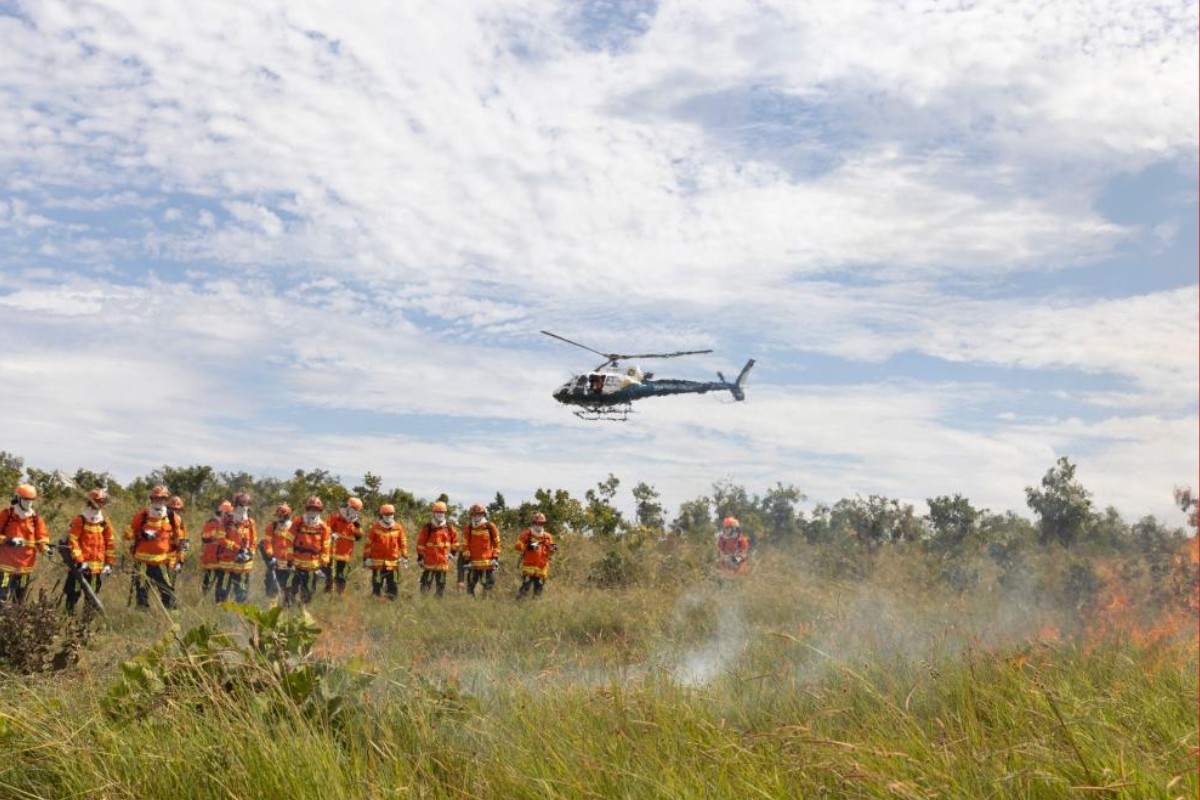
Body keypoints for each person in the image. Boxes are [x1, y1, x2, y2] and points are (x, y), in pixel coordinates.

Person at [125, 485, 184, 608]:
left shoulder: (174, 518)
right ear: (151, 499)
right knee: (141, 595)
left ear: (166, 500)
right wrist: (141, 534)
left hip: (163, 564)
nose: (158, 501)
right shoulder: (141, 515)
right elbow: (128, 535)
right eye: (156, 498)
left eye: (162, 498)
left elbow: (183, 541)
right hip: (142, 564)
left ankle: (173, 620)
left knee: (168, 593)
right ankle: (143, 617)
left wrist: (181, 560)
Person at [62, 488, 116, 614]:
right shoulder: (81, 519)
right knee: (73, 595)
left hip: (96, 569)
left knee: (91, 598)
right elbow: (73, 540)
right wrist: (80, 561)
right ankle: (68, 620)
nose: (100, 504)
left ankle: (85, 624)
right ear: (90, 502)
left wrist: (109, 564)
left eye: (102, 501)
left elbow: (110, 542)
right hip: (80, 568)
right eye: (98, 501)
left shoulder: (104, 521)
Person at [0, 483, 51, 604]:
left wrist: (45, 549)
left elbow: (42, 538)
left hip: (25, 569)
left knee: (19, 600)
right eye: (26, 499)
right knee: (1, 598)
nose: (29, 503)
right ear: (18, 498)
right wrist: (8, 540)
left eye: (31, 500)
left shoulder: (35, 519)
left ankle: (13, 622)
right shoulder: (7, 514)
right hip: (6, 568)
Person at [286, 496, 330, 606]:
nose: (313, 511)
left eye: (316, 509)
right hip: (298, 560)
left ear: (320, 511)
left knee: (310, 585)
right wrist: (290, 557)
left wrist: (324, 560)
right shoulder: (298, 522)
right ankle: (289, 603)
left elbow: (326, 545)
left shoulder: (323, 526)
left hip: (314, 562)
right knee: (295, 582)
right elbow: (289, 539)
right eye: (311, 509)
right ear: (307, 509)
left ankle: (305, 605)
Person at [215, 491, 256, 603]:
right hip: (228, 562)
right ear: (235, 505)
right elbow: (221, 539)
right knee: (223, 589)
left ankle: (241, 608)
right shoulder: (226, 520)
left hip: (244, 564)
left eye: (246, 505)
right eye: (242, 504)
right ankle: (220, 608)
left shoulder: (250, 522)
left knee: (242, 588)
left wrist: (250, 552)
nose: (244, 507)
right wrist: (237, 548)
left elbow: (254, 540)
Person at [363, 503, 408, 600]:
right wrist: (366, 558)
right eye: (386, 514)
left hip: (394, 564)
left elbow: (403, 542)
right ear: (382, 515)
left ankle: (391, 605)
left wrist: (404, 556)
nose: (388, 516)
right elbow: (368, 543)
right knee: (377, 585)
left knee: (393, 585)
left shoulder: (398, 527)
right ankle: (375, 604)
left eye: (391, 514)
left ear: (393, 515)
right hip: (378, 564)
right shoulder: (375, 528)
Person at [416, 500, 458, 597]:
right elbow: (421, 544)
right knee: (425, 585)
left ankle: (437, 604)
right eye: (438, 512)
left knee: (441, 586)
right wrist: (420, 558)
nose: (440, 514)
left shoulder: (449, 528)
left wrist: (452, 553)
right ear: (434, 513)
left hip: (443, 563)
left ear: (445, 513)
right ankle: (424, 603)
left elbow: (455, 543)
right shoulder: (428, 527)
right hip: (429, 563)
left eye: (442, 512)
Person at [326, 497, 364, 595]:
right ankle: (328, 592)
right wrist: (331, 534)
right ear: (347, 507)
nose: (353, 512)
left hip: (345, 553)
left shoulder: (355, 523)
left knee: (340, 575)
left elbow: (359, 537)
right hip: (332, 550)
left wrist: (357, 526)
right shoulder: (335, 518)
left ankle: (339, 594)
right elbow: (325, 529)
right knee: (329, 573)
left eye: (356, 510)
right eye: (352, 509)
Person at [461, 503, 501, 596]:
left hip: (487, 564)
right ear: (472, 515)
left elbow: (497, 543)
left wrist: (495, 558)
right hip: (473, 564)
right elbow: (465, 545)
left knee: (487, 586)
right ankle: (471, 605)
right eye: (475, 514)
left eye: (480, 514)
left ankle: (485, 605)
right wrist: (467, 560)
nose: (477, 516)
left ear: (484, 514)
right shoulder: (469, 528)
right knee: (470, 587)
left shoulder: (490, 526)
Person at [515, 512, 556, 599]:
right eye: (536, 523)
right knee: (525, 588)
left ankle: (534, 606)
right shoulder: (527, 534)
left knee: (538, 590)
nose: (539, 524)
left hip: (542, 568)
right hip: (529, 568)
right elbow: (517, 546)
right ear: (533, 523)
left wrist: (553, 548)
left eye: (541, 523)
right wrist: (528, 546)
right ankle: (518, 605)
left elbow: (552, 550)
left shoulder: (547, 536)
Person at [260, 503, 292, 601]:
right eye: (278, 516)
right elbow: (267, 542)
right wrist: (270, 554)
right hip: (275, 560)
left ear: (287, 515)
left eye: (282, 516)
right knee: (271, 582)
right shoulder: (272, 527)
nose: (280, 518)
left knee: (287, 583)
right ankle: (272, 601)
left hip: (289, 561)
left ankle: (287, 602)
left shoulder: (293, 527)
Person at [199, 501, 232, 595]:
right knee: (208, 579)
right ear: (222, 512)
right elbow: (204, 537)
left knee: (220, 580)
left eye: (229, 513)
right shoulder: (212, 522)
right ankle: (203, 598)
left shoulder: (227, 524)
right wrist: (217, 537)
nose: (228, 515)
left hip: (221, 557)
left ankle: (218, 600)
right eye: (227, 513)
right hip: (210, 556)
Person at [168, 496, 189, 578]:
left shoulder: (182, 526)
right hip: (159, 562)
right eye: (173, 510)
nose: (175, 513)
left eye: (177, 510)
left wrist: (180, 562)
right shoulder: (162, 523)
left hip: (173, 562)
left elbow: (184, 544)